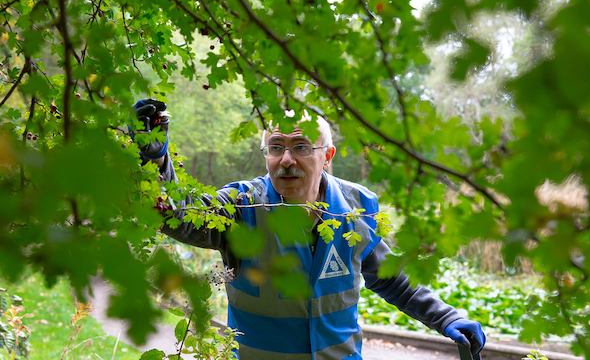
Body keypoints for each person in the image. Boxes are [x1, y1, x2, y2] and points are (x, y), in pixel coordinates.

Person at [132, 99, 486, 360]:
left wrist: (447, 317)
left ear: (327, 156)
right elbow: (177, 216)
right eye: (276, 148)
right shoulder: (242, 206)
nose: (286, 159)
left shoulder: (357, 207)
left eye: (300, 147)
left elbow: (390, 277)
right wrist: (155, 164)